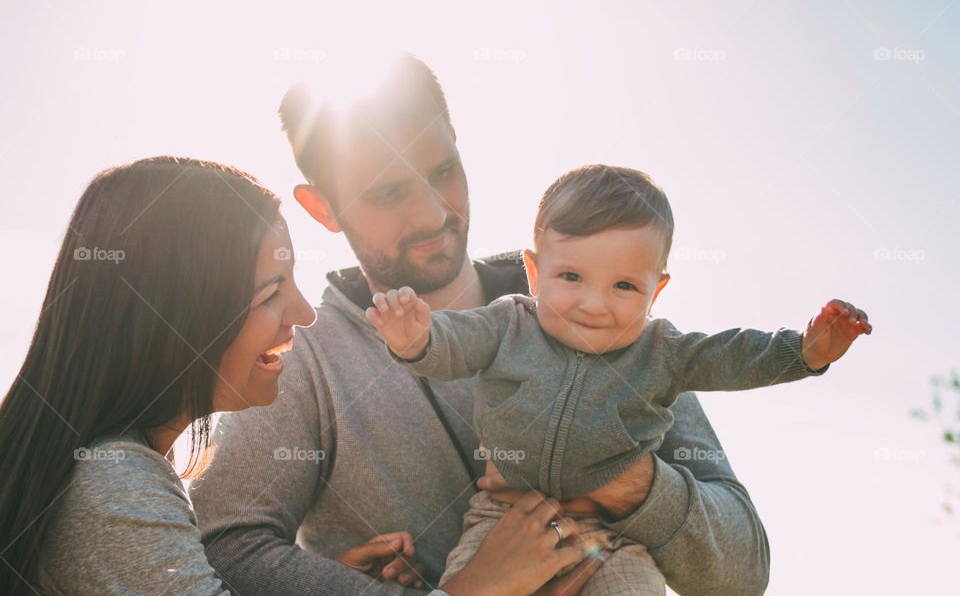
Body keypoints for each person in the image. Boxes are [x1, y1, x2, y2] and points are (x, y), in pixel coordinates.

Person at [191, 53, 781, 595]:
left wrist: (626, 482)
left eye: (443, 170)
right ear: (322, 208)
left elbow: (743, 573)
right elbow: (225, 548)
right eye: (389, 192)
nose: (431, 213)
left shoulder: (611, 317)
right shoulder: (303, 360)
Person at [367, 163, 872, 594]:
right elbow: (455, 342)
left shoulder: (663, 351)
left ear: (657, 291)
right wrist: (415, 339)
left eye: (625, 286)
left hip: (614, 538)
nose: (594, 304)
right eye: (571, 278)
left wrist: (802, 352)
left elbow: (732, 355)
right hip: (501, 517)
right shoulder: (510, 322)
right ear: (535, 272)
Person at [0, 156, 445, 594]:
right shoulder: (115, 486)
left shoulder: (107, 473)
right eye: (272, 292)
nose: (305, 314)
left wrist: (336, 581)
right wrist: (487, 578)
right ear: (177, 319)